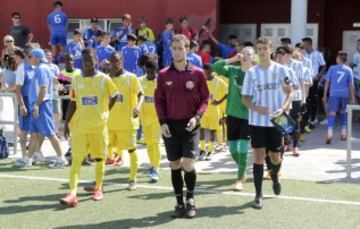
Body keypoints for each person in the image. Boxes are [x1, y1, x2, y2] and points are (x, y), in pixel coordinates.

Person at [155, 34, 209, 218]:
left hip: (190, 125)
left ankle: (191, 200)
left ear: (187, 49)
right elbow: (159, 101)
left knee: (188, 163)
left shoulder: (197, 73)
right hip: (170, 126)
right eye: (174, 48)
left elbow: (205, 99)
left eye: (181, 48)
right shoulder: (163, 74)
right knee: (175, 164)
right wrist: (162, 122)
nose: (177, 51)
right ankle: (179, 202)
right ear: (171, 49)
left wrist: (197, 117)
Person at [60, 48, 118, 207]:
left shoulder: (104, 79)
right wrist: (66, 123)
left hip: (99, 128)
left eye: (91, 59)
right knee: (76, 159)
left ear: (96, 60)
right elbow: (73, 102)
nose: (88, 62)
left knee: (99, 158)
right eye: (85, 59)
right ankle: (72, 193)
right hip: (80, 127)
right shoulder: (76, 80)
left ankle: (98, 188)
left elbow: (115, 96)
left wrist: (105, 111)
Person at [241, 37, 294, 209]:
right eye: (259, 48)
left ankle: (275, 177)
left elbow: (290, 92)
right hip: (257, 122)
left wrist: (283, 108)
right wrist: (255, 108)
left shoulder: (281, 70)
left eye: (265, 48)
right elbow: (245, 98)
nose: (262, 51)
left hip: (276, 121)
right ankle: (258, 195)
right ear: (256, 51)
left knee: (275, 157)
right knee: (258, 157)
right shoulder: (251, 73)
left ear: (270, 49)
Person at [15, 48, 67, 168]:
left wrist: (37, 106)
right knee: (35, 134)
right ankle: (28, 159)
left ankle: (61, 158)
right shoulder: (41, 68)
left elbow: (43, 89)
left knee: (50, 133)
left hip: (42, 105)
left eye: (31, 56)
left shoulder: (41, 69)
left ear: (37, 57)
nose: (29, 58)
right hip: (38, 105)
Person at [213, 47, 255, 191]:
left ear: (253, 58)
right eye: (243, 53)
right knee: (232, 149)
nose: (245, 56)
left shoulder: (255, 74)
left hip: (247, 116)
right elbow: (215, 67)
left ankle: (239, 179)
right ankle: (243, 170)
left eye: (249, 54)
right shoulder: (232, 70)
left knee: (243, 147)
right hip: (231, 114)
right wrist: (231, 59)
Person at [107, 51, 144, 190]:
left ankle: (133, 179)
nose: (115, 64)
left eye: (117, 61)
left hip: (127, 123)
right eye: (112, 61)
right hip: (110, 123)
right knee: (103, 152)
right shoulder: (107, 79)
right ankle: (99, 182)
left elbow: (141, 94)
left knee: (131, 150)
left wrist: (138, 107)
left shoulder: (131, 78)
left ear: (122, 61)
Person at [276, 45, 304, 156]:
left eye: (281, 56)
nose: (279, 58)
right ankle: (286, 143)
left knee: (294, 122)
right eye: (277, 56)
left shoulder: (291, 69)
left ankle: (295, 146)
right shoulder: (273, 68)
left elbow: (297, 86)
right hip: (279, 101)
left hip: (294, 98)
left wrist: (303, 98)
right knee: (283, 124)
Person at [323, 51, 355, 144]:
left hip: (334, 94)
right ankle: (344, 133)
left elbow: (327, 82)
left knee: (332, 113)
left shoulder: (332, 68)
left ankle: (329, 133)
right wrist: (352, 97)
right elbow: (351, 85)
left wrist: (325, 95)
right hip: (344, 94)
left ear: (338, 59)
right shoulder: (349, 69)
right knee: (343, 113)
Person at [198, 63, 227, 161]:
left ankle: (210, 150)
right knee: (201, 129)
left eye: (206, 72)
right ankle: (202, 149)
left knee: (212, 131)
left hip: (214, 110)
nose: (204, 74)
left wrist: (219, 101)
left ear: (211, 72)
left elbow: (227, 92)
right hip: (203, 111)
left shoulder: (219, 81)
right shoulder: (201, 81)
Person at [140, 60, 161, 182]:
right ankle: (152, 165)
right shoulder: (140, 80)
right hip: (145, 118)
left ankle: (156, 168)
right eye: (147, 71)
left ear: (156, 71)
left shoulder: (160, 82)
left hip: (157, 119)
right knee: (148, 143)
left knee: (156, 142)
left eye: (152, 72)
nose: (150, 74)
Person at [302, 37, 326, 128]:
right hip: (305, 80)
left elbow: (324, 66)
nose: (303, 46)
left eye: (304, 44)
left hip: (314, 80)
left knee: (313, 99)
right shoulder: (303, 54)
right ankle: (306, 118)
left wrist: (318, 76)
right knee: (306, 99)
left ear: (308, 44)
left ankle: (313, 118)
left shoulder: (318, 54)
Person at [14, 49, 34, 159]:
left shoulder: (35, 68)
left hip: (33, 103)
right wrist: (22, 106)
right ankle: (24, 156)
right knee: (24, 131)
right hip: (26, 102)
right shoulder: (22, 68)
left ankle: (31, 155)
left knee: (35, 131)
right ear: (26, 56)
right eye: (31, 55)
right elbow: (18, 89)